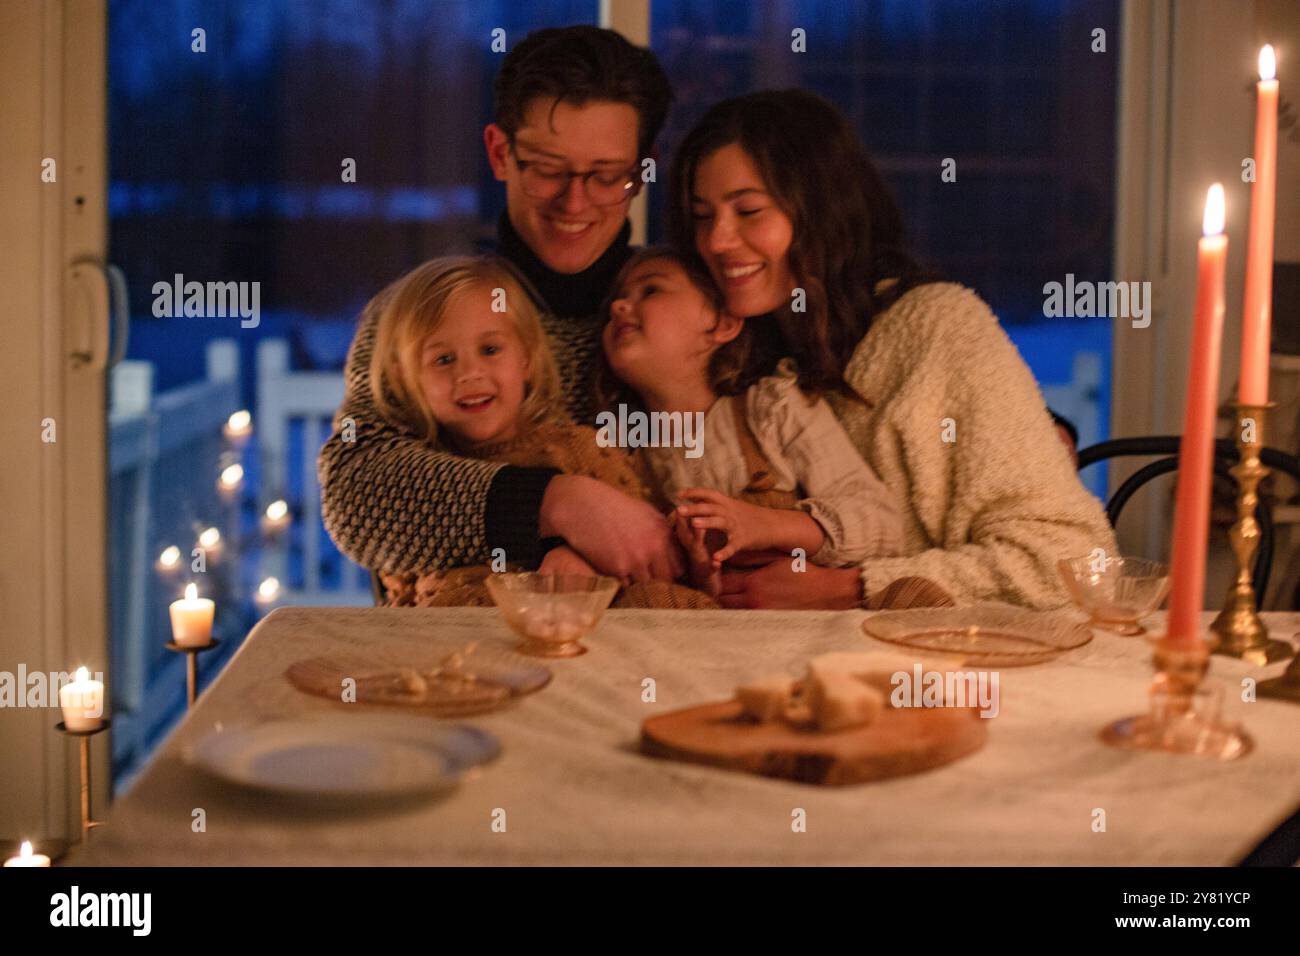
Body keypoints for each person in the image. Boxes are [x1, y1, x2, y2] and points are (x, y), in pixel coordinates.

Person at [665, 89, 1118, 610]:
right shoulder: (734, 354)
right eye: (702, 216)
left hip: (932, 657)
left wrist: (850, 588)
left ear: (821, 209)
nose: (717, 240)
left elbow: (1070, 560)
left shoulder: (936, 327)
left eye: (749, 211)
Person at [319, 26, 685, 583]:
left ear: (642, 171)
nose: (575, 202)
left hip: (661, 628)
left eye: (606, 176)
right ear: (500, 152)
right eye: (547, 169)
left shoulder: (682, 309)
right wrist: (557, 502)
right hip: (462, 634)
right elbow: (357, 490)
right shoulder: (421, 311)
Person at [366, 255, 716, 610]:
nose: (470, 373)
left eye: (490, 350)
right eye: (443, 359)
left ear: (527, 361)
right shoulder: (415, 480)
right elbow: (409, 602)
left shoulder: (579, 449)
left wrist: (579, 558)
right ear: (404, 378)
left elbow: (649, 549)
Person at [597, 247, 905, 597]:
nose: (618, 307)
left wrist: (765, 525)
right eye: (616, 300)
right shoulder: (630, 462)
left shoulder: (773, 409)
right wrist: (703, 574)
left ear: (722, 324)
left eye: (651, 290)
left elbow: (882, 524)